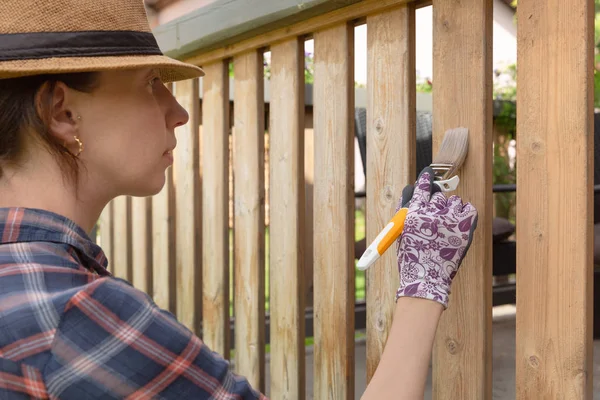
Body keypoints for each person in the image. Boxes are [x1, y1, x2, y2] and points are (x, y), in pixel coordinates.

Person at [0, 0, 478, 398]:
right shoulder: (73, 315)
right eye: (151, 83)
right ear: (61, 110)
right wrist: (425, 282)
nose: (179, 111)